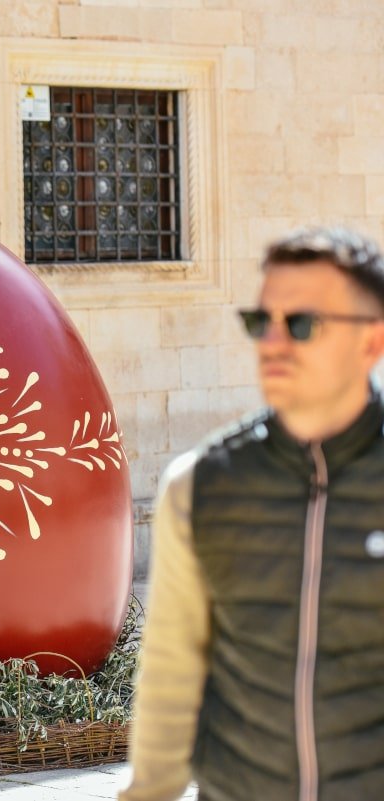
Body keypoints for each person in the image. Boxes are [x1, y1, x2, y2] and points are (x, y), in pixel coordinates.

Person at [120, 227, 384, 801]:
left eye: (303, 324)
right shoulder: (199, 485)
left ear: (371, 341)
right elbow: (171, 674)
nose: (273, 343)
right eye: (262, 321)